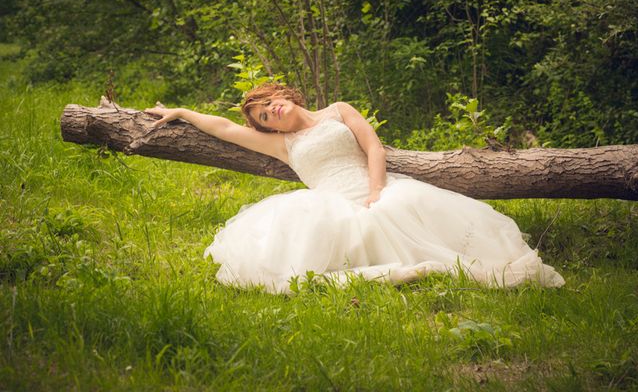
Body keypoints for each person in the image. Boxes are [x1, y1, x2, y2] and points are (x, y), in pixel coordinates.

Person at [145, 83, 564, 293]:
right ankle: (390, 272)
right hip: (331, 200)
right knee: (324, 236)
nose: (271, 113)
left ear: (282, 94)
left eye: (269, 104)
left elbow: (373, 146)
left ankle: (417, 258)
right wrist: (181, 111)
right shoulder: (283, 144)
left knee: (402, 209)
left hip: (375, 186)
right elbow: (225, 129)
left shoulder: (338, 110)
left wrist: (377, 189)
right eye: (265, 118)